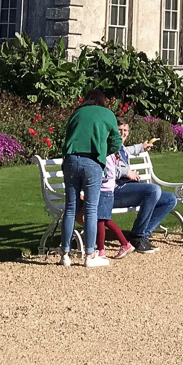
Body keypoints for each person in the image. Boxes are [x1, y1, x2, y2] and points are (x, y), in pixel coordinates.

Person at [59, 90, 123, 268]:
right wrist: (104, 152)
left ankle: (65, 254)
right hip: (93, 161)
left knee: (70, 208)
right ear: (103, 101)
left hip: (71, 159)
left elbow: (67, 139)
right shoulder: (107, 114)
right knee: (91, 209)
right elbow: (117, 141)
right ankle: (90, 255)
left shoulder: (77, 113)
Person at [111, 119, 179, 253]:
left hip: (127, 188)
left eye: (125, 131)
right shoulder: (109, 147)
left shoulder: (121, 148)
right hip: (115, 191)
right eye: (119, 130)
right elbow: (107, 169)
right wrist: (127, 172)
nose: (123, 133)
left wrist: (142, 147)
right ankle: (137, 235)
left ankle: (143, 234)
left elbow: (129, 150)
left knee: (170, 199)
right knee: (153, 190)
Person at [94, 148, 133, 259]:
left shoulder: (106, 157)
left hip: (104, 191)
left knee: (101, 220)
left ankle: (102, 250)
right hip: (107, 191)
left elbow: (107, 175)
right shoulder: (111, 156)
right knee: (104, 219)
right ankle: (123, 244)